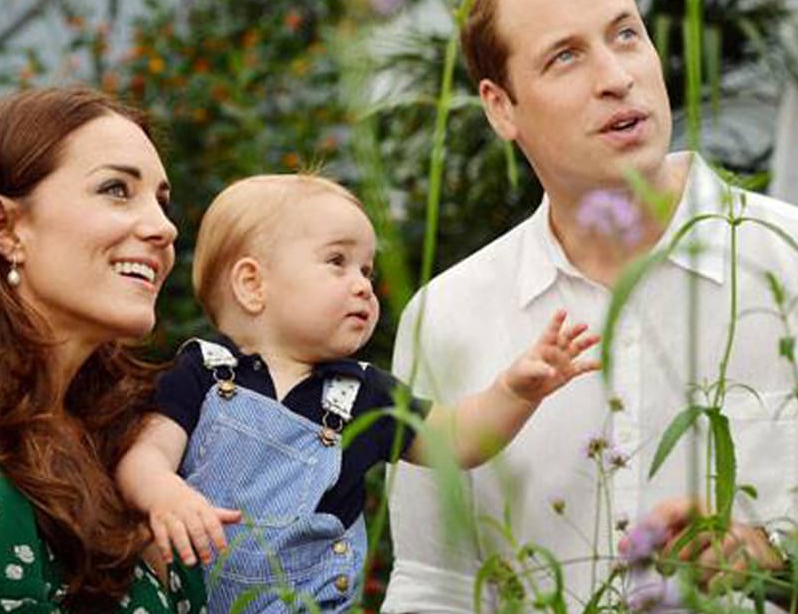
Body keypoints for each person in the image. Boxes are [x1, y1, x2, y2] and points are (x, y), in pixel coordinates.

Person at [380, 0, 798, 613]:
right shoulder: (447, 316)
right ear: (501, 107)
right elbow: (436, 584)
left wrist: (777, 560)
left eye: (626, 35)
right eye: (565, 56)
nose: (616, 76)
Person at [115, 173, 601, 612]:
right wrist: (164, 493)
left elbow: (458, 440)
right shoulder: (201, 372)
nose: (364, 286)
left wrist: (515, 390)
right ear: (252, 284)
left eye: (367, 271)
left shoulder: (364, 393)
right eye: (337, 262)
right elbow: (144, 456)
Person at [0, 87, 206, 612]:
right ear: (5, 229)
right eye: (116, 189)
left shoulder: (134, 460)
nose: (164, 227)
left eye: (161, 200)